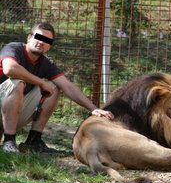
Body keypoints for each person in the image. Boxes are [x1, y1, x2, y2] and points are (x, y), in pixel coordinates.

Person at [0, 22, 113, 153]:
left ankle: (33, 141)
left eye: (46, 41)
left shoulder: (46, 64)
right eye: (38, 37)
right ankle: (9, 141)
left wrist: (94, 109)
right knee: (17, 83)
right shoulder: (14, 48)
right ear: (29, 38)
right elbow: (10, 69)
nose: (41, 43)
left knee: (54, 87)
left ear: (49, 46)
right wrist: (41, 83)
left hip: (8, 115)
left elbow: (68, 87)